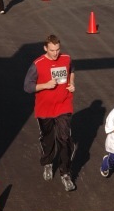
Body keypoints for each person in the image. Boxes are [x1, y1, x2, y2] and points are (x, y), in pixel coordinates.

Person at [24, 34, 76, 192]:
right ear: (45, 48)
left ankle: (65, 174)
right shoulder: (37, 64)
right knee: (48, 139)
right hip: (45, 108)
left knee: (64, 139)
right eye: (52, 50)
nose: (55, 53)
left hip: (63, 106)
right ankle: (47, 162)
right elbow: (27, 87)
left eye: (58, 49)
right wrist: (46, 85)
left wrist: (72, 83)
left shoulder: (66, 59)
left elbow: (72, 70)